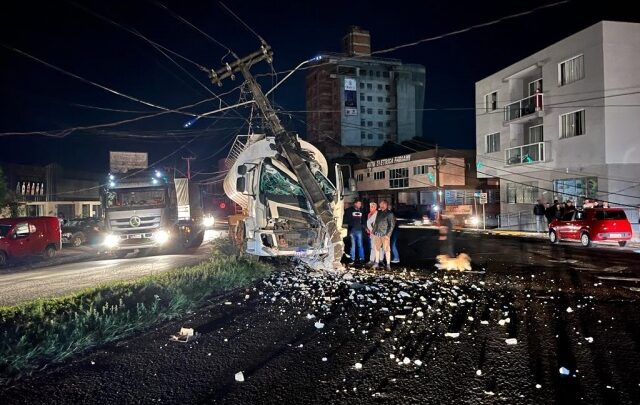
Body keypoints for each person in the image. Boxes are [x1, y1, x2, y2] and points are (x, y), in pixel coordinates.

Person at [371, 200, 395, 270]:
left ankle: (388, 265)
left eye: (381, 204)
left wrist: (388, 235)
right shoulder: (379, 213)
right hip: (377, 234)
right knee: (376, 249)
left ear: (385, 205)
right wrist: (373, 231)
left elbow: (391, 225)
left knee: (386, 250)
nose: (380, 205)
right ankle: (376, 263)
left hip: (385, 234)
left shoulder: (390, 214)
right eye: (380, 204)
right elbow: (376, 223)